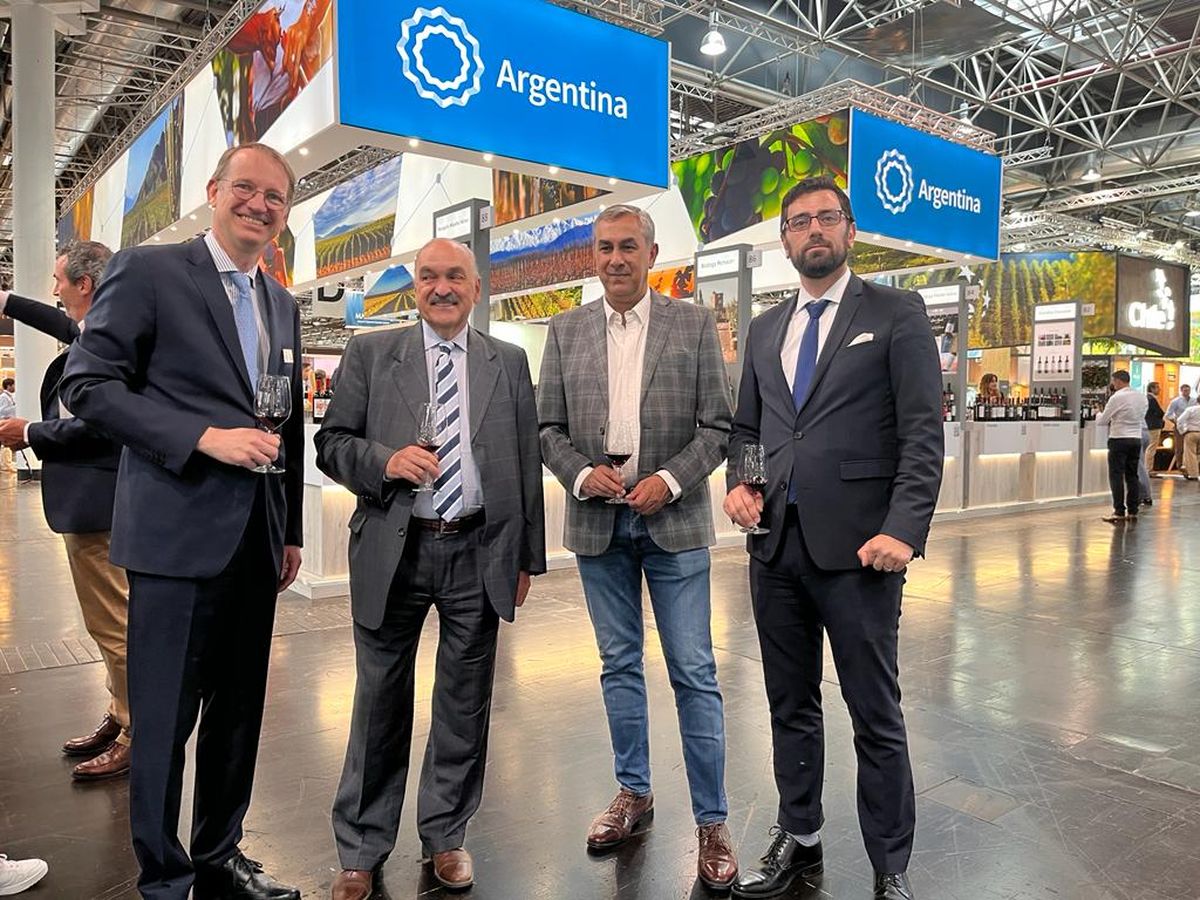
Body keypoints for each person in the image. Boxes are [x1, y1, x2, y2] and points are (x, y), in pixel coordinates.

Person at [60, 142, 304, 900]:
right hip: (173, 538)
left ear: (285, 213)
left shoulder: (281, 303)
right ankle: (164, 878)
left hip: (256, 541)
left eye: (275, 196)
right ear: (214, 190)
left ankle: (220, 856)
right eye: (246, 188)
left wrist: (292, 530)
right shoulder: (150, 271)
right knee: (163, 720)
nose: (258, 205)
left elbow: (287, 426)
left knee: (239, 715)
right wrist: (201, 437)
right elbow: (87, 385)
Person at [724, 176, 943, 900]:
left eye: (826, 217)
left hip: (861, 552)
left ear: (849, 230)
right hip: (774, 548)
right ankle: (800, 835)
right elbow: (749, 429)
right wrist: (741, 483)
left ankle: (890, 865)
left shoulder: (896, 313)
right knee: (789, 704)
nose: (812, 230)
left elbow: (922, 433)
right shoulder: (765, 329)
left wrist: (903, 529)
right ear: (784, 240)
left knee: (874, 712)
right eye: (798, 221)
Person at [316, 238, 546, 899]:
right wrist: (386, 462)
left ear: (476, 287)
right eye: (429, 277)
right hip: (396, 550)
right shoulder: (370, 353)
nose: (441, 288)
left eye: (454, 277)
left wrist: (526, 557)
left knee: (465, 702)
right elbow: (331, 444)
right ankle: (361, 849)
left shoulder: (507, 361)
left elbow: (524, 462)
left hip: (479, 550)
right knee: (378, 703)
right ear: (415, 287)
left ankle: (446, 835)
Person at [538, 205, 737, 891]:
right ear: (592, 257)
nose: (616, 258)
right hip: (598, 523)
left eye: (628, 246)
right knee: (618, 664)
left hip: (673, 523)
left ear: (652, 255)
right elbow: (547, 428)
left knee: (694, 669)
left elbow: (718, 427)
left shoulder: (693, 325)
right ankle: (634, 791)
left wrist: (669, 480)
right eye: (605, 248)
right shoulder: (564, 331)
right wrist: (578, 473)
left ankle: (713, 821)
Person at [0, 242, 132, 781]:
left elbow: (104, 426)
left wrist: (31, 432)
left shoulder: (115, 340)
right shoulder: (97, 330)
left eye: (59, 280)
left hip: (99, 505)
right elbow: (57, 321)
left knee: (116, 625)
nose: (54, 290)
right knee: (107, 624)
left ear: (85, 285)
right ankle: (121, 713)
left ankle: (135, 731)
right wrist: (6, 300)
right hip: (88, 504)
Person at [1095, 371, 1148, 523]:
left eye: (1113, 381)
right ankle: (1133, 510)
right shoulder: (1142, 397)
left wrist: (1098, 413)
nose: (1113, 384)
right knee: (1132, 475)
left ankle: (1119, 511)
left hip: (1119, 438)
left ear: (1118, 381)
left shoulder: (1117, 397)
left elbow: (1103, 421)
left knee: (1116, 475)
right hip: (1136, 438)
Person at [1164, 383, 1195, 472]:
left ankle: (1190, 465)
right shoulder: (1176, 401)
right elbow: (1168, 414)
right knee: (1179, 447)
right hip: (1179, 426)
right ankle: (1180, 465)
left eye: (1188, 390)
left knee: (1191, 447)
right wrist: (1176, 422)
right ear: (1181, 391)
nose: (1187, 392)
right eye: (1185, 390)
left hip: (1191, 426)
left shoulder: (1194, 400)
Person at [1144, 381, 1164, 490]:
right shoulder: (1151, 399)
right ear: (1152, 388)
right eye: (1157, 388)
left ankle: (1148, 468)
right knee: (1152, 447)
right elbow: (1159, 412)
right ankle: (1148, 469)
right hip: (1154, 426)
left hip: (1149, 425)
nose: (1159, 390)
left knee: (1150, 447)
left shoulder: (1147, 398)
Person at [1176, 401, 1200, 480]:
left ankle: (1193, 474)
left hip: (1191, 433)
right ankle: (1187, 468)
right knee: (1198, 454)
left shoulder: (1191, 409)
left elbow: (1179, 420)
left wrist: (1182, 431)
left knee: (1190, 454)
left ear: (1197, 401)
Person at [0, 377, 16, 473]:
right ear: (9, 386)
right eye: (13, 385)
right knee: (5, 444)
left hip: (8, 422)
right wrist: (14, 408)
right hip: (4, 422)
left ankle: (7, 463)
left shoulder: (10, 396)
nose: (14, 387)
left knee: (7, 444)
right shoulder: (4, 397)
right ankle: (5, 465)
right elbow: (2, 411)